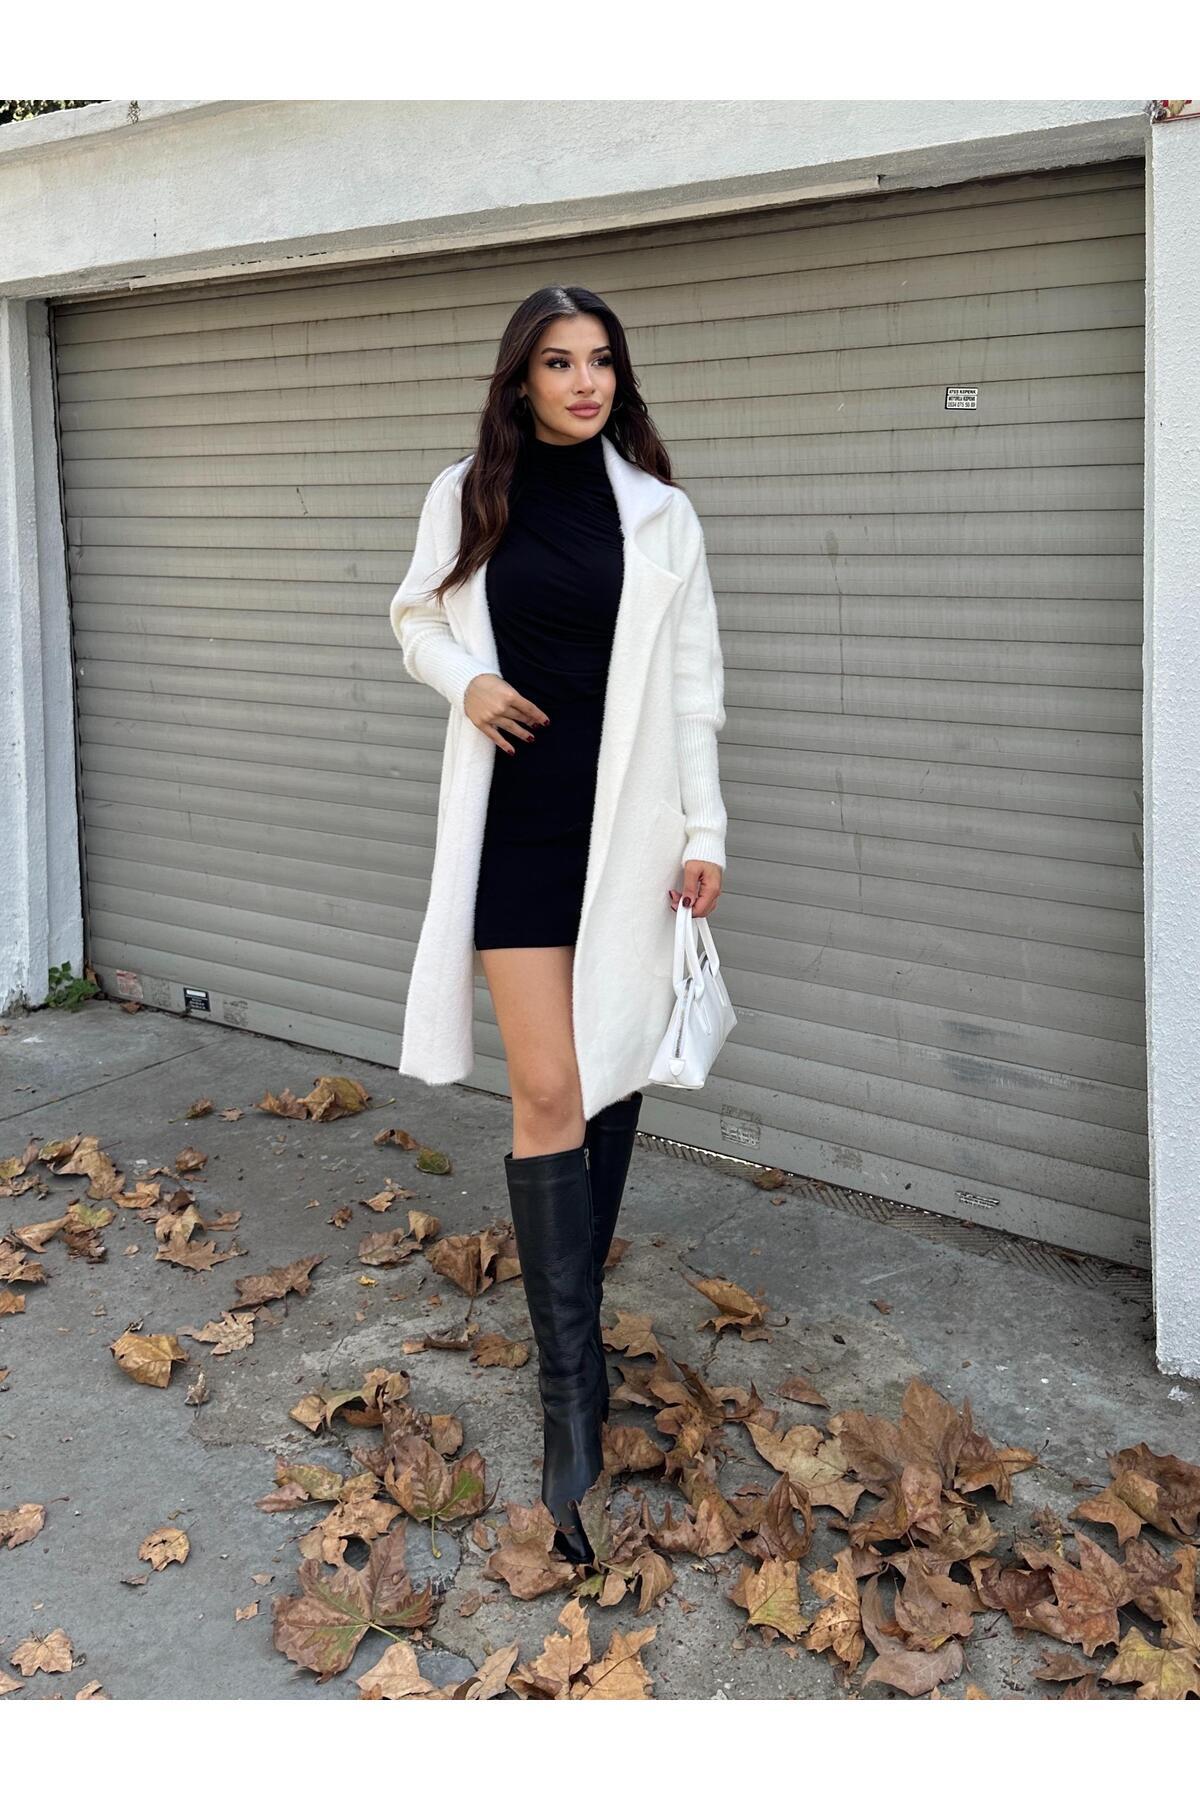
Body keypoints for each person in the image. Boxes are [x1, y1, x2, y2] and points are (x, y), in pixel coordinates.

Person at [389, 284, 728, 1566]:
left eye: (599, 361)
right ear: (520, 379)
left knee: (609, 1071)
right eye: (556, 362)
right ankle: (568, 1403)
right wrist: (467, 680)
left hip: (630, 835)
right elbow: (415, 615)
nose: (583, 382)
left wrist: (705, 834)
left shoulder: (661, 514)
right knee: (548, 1089)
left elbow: (694, 685)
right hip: (518, 829)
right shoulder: (468, 491)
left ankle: (573, 1342)